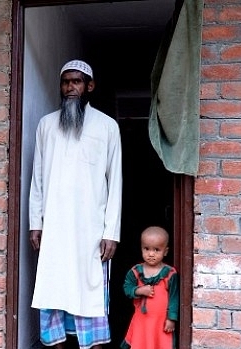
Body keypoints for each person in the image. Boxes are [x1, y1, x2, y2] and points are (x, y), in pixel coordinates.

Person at [29, 59, 123, 349]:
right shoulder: (46, 125)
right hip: (54, 226)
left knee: (89, 290)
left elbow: (115, 181)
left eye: (77, 81)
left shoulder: (107, 126)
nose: (70, 87)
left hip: (91, 229)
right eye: (66, 81)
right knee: (53, 288)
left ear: (89, 86)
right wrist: (36, 223)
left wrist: (111, 232)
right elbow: (37, 178)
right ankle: (57, 345)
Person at [121, 226, 179, 349]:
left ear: (166, 251)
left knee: (160, 344)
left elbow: (174, 297)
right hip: (142, 321)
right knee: (141, 343)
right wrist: (139, 290)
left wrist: (171, 319)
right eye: (146, 249)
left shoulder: (170, 274)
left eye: (157, 250)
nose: (151, 254)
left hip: (161, 322)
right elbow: (127, 288)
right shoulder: (136, 271)